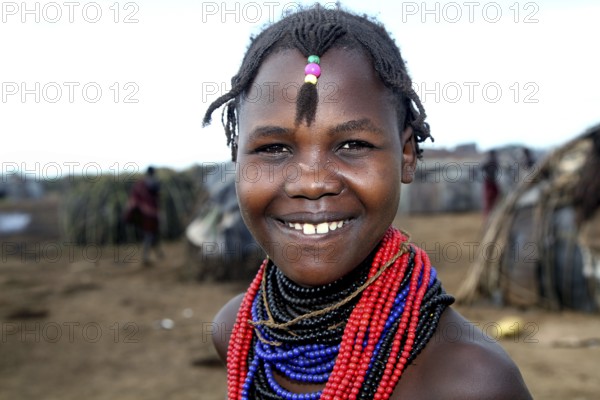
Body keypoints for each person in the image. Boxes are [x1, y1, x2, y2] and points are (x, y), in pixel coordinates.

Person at [203, 5, 532, 399]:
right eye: (273, 148)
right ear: (236, 158)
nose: (311, 182)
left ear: (406, 155)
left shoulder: (470, 382)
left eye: (352, 145)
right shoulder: (238, 332)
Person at [125, 166, 163, 265]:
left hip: (143, 214)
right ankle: (146, 257)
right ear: (153, 172)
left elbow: (134, 199)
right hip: (149, 215)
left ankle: (158, 254)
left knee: (152, 234)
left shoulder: (140, 184)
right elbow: (157, 195)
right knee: (150, 234)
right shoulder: (151, 183)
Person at [482, 149, 501, 218]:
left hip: (493, 182)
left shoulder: (495, 162)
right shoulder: (488, 162)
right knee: (489, 200)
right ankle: (488, 215)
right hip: (489, 183)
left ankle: (492, 213)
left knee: (495, 198)